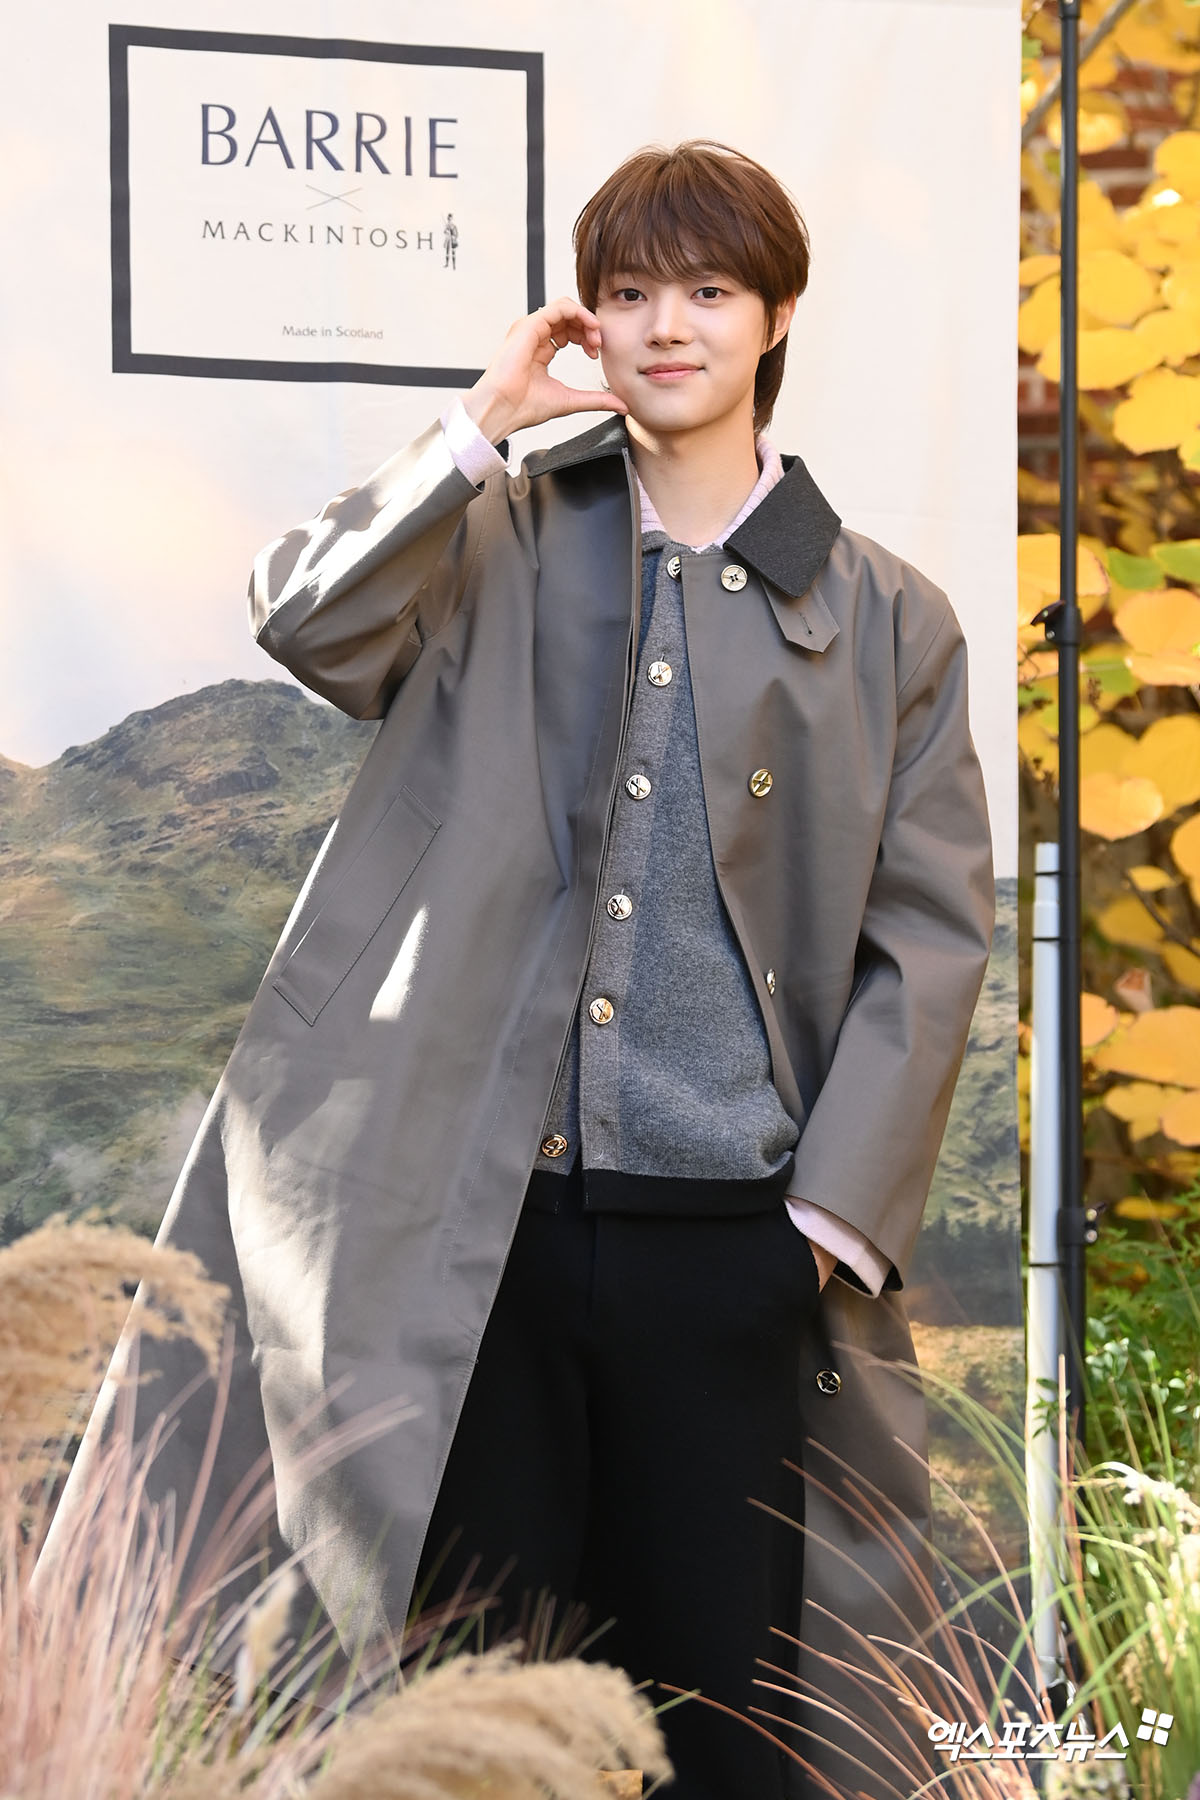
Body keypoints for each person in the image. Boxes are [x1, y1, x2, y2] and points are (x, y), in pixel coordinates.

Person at [37, 140, 994, 1800]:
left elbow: (931, 935)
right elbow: (309, 623)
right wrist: (479, 425)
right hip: (481, 1249)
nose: (667, 326)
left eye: (709, 290)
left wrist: (817, 1238)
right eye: (629, 293)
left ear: (776, 317)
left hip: (734, 1257)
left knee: (726, 1725)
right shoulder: (496, 532)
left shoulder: (892, 618)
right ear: (586, 321)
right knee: (471, 1713)